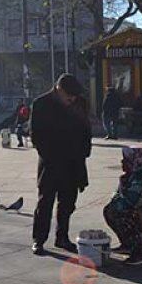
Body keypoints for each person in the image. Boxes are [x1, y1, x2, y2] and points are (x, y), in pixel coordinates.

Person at [30, 73, 91, 256]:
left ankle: (62, 237)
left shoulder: (80, 103)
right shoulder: (41, 104)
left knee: (67, 202)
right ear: (58, 89)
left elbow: (85, 130)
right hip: (50, 162)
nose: (71, 100)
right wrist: (49, 155)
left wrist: (84, 151)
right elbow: (36, 135)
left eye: (74, 97)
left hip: (73, 162)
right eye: (68, 96)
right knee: (45, 202)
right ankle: (39, 240)